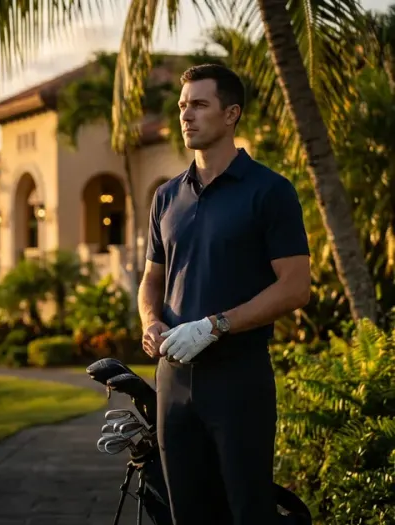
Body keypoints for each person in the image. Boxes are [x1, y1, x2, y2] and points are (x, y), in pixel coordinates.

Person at [137, 64, 311, 524]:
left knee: (248, 513)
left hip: (239, 380)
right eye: (182, 106)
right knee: (186, 515)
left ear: (231, 114)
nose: (185, 116)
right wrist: (150, 322)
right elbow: (152, 280)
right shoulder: (167, 197)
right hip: (172, 384)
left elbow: (296, 286)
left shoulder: (270, 192)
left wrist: (217, 325)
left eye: (198, 104)